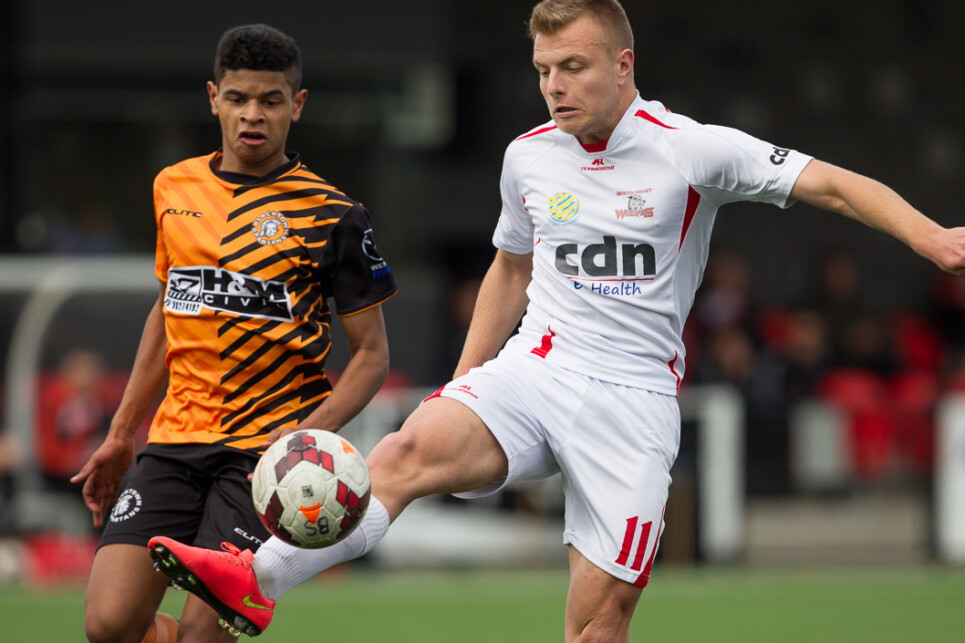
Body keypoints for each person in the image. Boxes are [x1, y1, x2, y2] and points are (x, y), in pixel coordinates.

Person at [148, 1, 965, 640]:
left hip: (632, 403)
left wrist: (928, 236)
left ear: (623, 64)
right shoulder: (528, 155)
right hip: (536, 369)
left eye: (572, 67)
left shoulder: (692, 150)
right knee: (401, 451)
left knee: (594, 627)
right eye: (543, 70)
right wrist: (464, 380)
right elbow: (510, 265)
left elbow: (829, 184)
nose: (555, 86)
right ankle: (255, 580)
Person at [72, 24, 397, 643]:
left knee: (204, 637)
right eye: (239, 98)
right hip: (172, 442)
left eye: (271, 100)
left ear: (296, 106)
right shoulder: (173, 186)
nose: (253, 114)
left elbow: (373, 358)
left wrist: (306, 440)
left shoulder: (334, 215)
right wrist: (120, 434)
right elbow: (169, 312)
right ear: (213, 97)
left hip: (261, 459)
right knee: (108, 626)